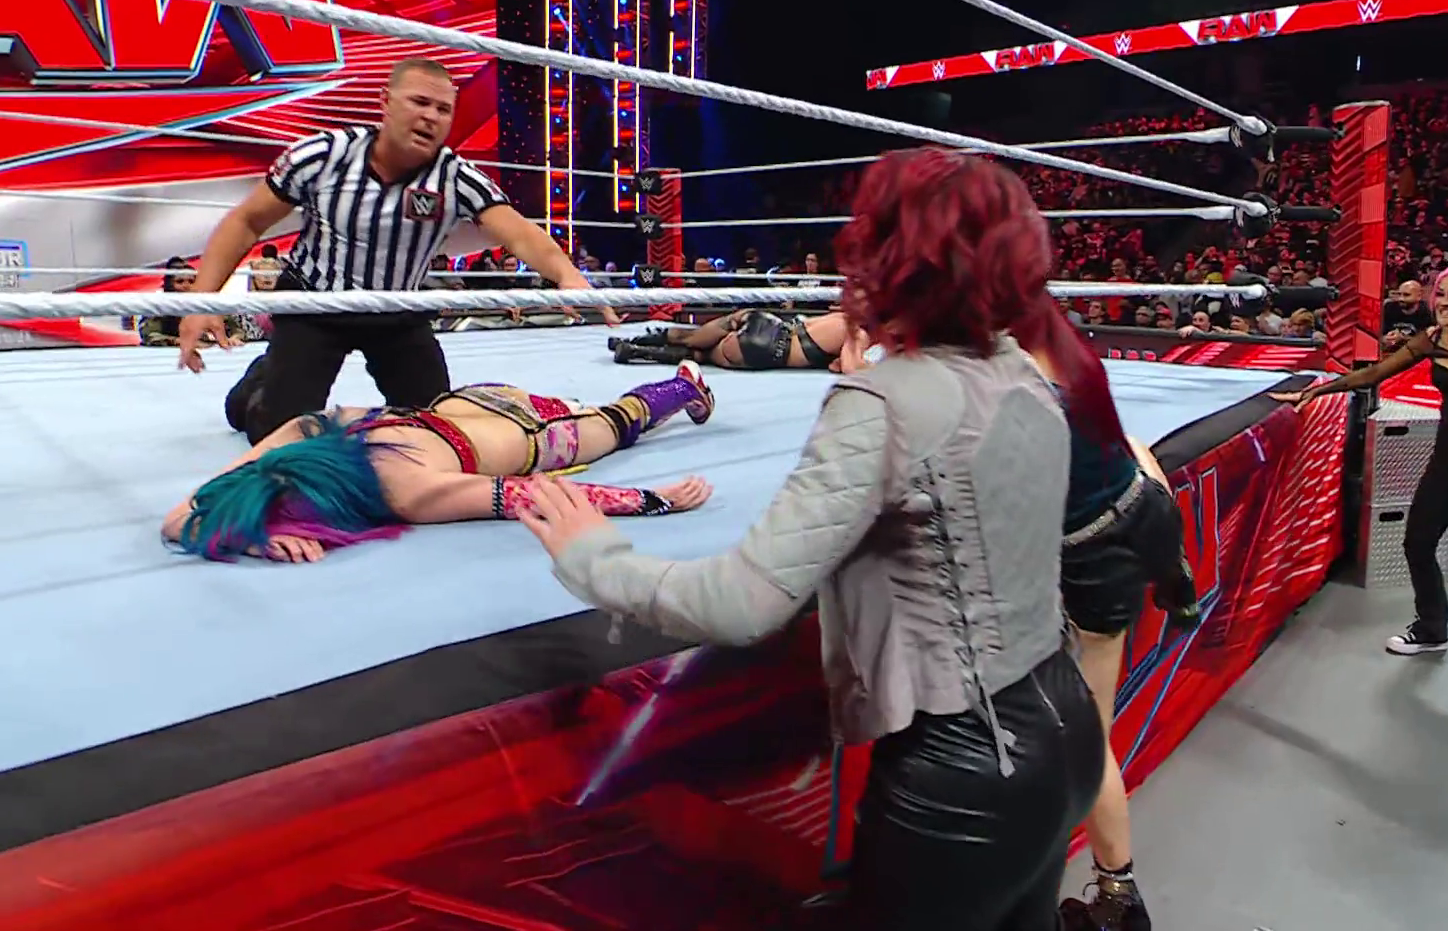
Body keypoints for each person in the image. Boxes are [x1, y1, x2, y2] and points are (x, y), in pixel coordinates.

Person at [513, 148, 1106, 930]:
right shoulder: (1028, 375)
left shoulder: (884, 401)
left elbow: (742, 602)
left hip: (967, 772)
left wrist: (595, 555)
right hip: (1069, 731)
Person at [175, 57, 617, 443]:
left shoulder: (455, 177)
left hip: (397, 311)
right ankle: (260, 382)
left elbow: (517, 232)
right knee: (276, 433)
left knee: (436, 427)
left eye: (443, 109)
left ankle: (279, 372)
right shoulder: (325, 155)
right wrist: (203, 300)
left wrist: (567, 274)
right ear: (385, 102)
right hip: (314, 304)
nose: (430, 117)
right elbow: (247, 221)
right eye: (419, 102)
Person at [1270, 261, 1448, 682]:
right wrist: (1317, 392)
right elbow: (1374, 373)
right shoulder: (1434, 338)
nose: (1443, 302)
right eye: (1441, 293)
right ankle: (1431, 628)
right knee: (1417, 543)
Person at [165, 363, 716, 562]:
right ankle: (682, 385)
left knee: (618, 423)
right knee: (613, 415)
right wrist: (249, 532)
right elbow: (181, 516)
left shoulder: (404, 491)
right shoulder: (304, 431)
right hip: (467, 400)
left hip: (539, 436)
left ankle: (685, 386)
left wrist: (653, 500)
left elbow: (533, 495)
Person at [1033, 349, 1198, 931]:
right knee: (1083, 739)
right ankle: (1118, 895)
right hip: (1142, 507)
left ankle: (1092, 904)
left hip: (1092, 559)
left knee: (1081, 743)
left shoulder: (984, 385)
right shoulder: (1052, 354)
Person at [610, 308, 854, 370]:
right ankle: (634, 351)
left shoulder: (842, 316)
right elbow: (846, 368)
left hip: (770, 322)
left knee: (693, 336)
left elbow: (803, 320)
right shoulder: (858, 332)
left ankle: (635, 340)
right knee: (702, 355)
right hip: (769, 350)